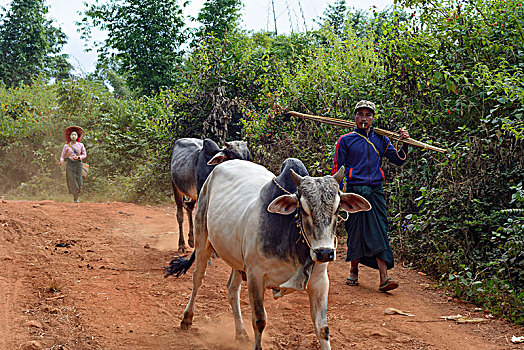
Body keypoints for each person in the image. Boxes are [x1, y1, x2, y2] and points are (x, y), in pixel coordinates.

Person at [332, 100, 409, 292]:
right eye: (361, 114)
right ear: (355, 117)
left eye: (368, 115)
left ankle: (384, 277)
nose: (364, 118)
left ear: (373, 118)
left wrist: (405, 143)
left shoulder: (381, 139)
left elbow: (398, 160)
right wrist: (338, 194)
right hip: (355, 192)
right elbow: (338, 168)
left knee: (380, 230)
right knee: (356, 231)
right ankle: (353, 271)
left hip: (375, 191)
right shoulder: (346, 140)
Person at [60, 126, 87, 203]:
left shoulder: (81, 145)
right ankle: (75, 197)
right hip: (70, 164)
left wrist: (79, 157)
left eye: (75, 134)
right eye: (72, 135)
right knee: (71, 179)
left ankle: (76, 195)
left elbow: (84, 155)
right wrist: (61, 161)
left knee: (79, 180)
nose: (73, 136)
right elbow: (62, 156)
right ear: (69, 136)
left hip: (78, 164)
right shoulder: (66, 146)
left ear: (77, 136)